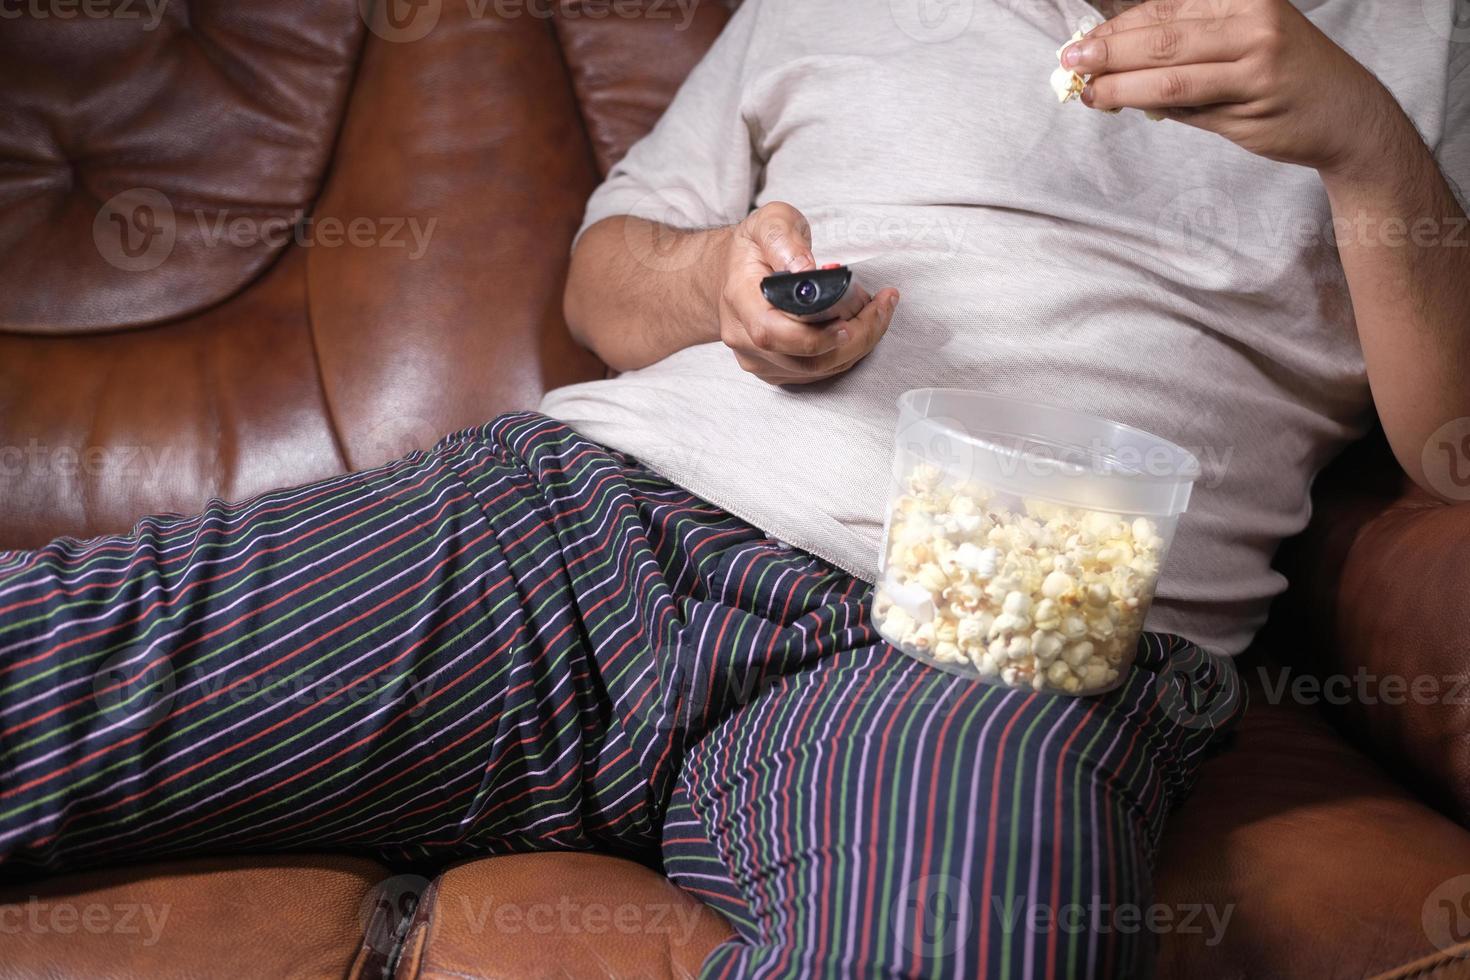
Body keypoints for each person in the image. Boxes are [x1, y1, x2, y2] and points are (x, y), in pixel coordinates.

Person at [1, 1, 1465, 976]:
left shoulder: (1425, 40)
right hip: (590, 523)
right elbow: (602, 278)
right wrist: (717, 285)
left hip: (1006, 634)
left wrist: (1363, 144)